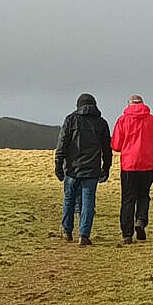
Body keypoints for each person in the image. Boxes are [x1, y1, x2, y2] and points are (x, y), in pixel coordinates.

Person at [54, 93, 112, 246]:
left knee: (69, 199)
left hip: (72, 169)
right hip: (92, 170)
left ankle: (67, 230)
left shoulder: (70, 120)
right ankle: (84, 235)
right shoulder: (101, 123)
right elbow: (107, 149)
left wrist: (58, 165)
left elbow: (62, 145)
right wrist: (106, 168)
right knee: (88, 202)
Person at [111, 95, 153, 244]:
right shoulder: (152, 120)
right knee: (143, 196)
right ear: (143, 104)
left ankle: (127, 235)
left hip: (129, 166)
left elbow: (116, 146)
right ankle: (141, 221)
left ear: (128, 104)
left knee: (128, 199)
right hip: (147, 166)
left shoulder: (122, 120)